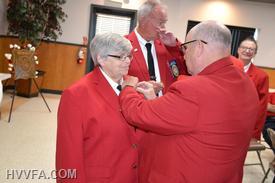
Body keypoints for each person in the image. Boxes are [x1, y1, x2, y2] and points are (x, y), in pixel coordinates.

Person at [119, 20, 259, 183]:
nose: (184, 55)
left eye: (185, 48)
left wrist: (128, 88)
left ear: (199, 47)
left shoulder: (195, 89)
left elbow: (138, 113)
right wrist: (158, 102)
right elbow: (200, 118)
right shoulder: (246, 83)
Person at [56, 33, 143, 183]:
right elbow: (68, 154)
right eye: (120, 57)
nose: (128, 61)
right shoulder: (76, 95)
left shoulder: (133, 85)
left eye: (129, 56)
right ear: (101, 59)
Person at [126, 0, 187, 94]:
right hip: (138, 106)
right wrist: (140, 88)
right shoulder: (123, 46)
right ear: (143, 20)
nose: (164, 28)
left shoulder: (167, 45)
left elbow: (186, 70)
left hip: (166, 105)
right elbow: (116, 82)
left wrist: (174, 46)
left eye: (164, 23)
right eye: (160, 23)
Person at [237, 37, 269, 140]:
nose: (247, 51)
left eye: (251, 49)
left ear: (255, 53)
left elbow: (262, 107)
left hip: (245, 125)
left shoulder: (261, 76)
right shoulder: (225, 69)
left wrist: (255, 132)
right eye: (244, 47)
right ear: (238, 49)